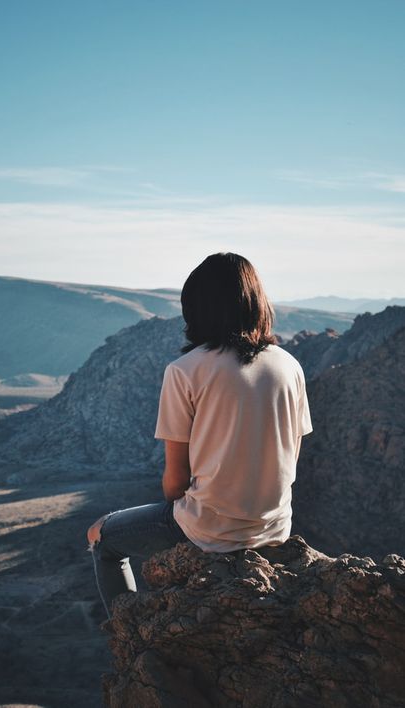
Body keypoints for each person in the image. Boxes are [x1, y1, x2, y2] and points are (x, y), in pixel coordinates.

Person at [87, 252, 313, 619]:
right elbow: (290, 457)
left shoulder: (185, 371)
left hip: (210, 528)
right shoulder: (290, 366)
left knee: (101, 538)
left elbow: (175, 481)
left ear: (196, 309)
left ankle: (127, 630)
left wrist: (189, 513)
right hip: (274, 527)